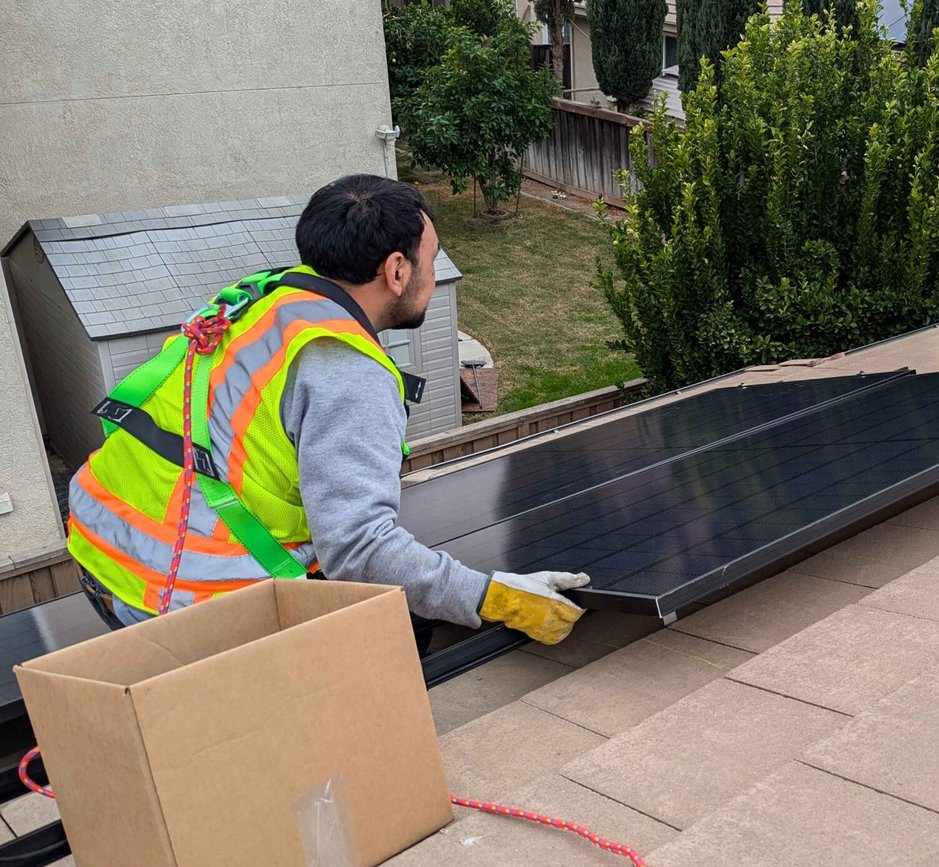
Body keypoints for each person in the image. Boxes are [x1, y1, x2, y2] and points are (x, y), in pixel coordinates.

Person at [67, 174, 588, 648]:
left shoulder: (268, 299)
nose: (434, 273)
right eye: (431, 259)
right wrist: (491, 595)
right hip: (176, 593)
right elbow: (359, 551)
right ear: (398, 270)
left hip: (101, 541)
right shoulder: (347, 371)